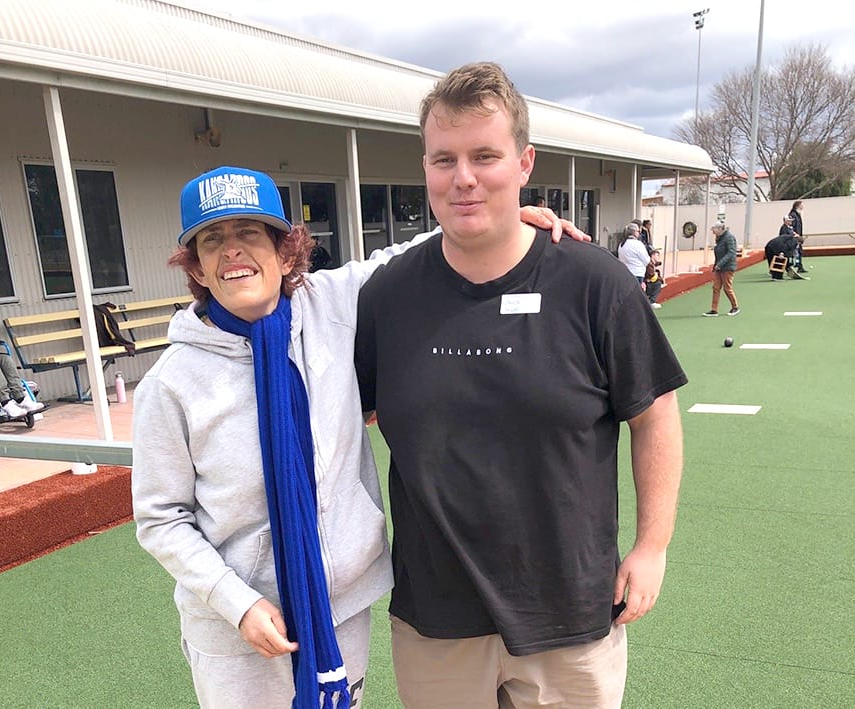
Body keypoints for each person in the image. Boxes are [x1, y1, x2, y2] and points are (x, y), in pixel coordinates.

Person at [131, 166, 586, 709]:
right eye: (213, 240)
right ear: (198, 269)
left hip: (338, 607)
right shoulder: (171, 382)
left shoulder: (330, 308)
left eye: (249, 233)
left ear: (284, 252)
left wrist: (499, 223)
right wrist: (238, 604)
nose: (232, 252)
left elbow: (405, 256)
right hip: (237, 629)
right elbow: (161, 517)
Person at [354, 61, 686, 709]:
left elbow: (656, 415)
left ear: (525, 162)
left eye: (485, 155)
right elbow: (350, 416)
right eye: (444, 159)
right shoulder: (386, 297)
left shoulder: (594, 285)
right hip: (436, 620)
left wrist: (652, 546)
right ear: (425, 167)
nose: (464, 177)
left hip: (571, 613)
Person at [703, 221, 739, 316]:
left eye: (714, 230)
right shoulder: (719, 238)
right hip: (719, 267)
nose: (713, 232)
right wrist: (716, 266)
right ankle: (714, 309)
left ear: (720, 229)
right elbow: (718, 253)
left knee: (727, 288)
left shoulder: (729, 237)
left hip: (728, 267)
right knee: (716, 288)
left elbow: (731, 253)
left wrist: (720, 264)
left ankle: (735, 307)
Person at [618, 222, 651, 289]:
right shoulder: (638, 244)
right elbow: (646, 260)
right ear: (634, 232)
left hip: (625, 273)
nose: (639, 233)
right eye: (638, 231)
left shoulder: (621, 244)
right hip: (637, 273)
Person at [788, 200, 806, 272]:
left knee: (799, 251)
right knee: (795, 252)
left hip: (798, 236)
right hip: (795, 237)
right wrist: (795, 234)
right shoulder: (793, 215)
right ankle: (795, 266)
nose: (803, 206)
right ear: (797, 206)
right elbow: (792, 226)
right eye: (801, 205)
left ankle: (799, 266)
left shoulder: (797, 214)